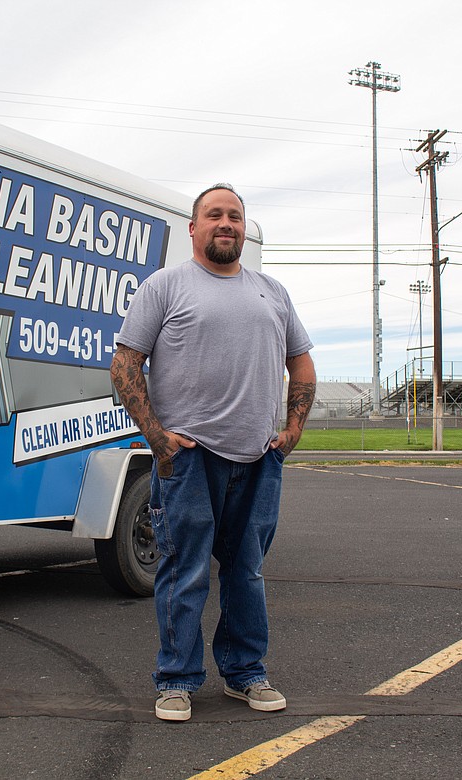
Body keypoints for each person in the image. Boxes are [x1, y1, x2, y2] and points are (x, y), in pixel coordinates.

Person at [110, 183, 316, 722]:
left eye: (235, 216)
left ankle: (245, 674)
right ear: (194, 228)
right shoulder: (165, 286)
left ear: (243, 229)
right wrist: (157, 436)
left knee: (246, 571)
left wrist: (292, 429)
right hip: (189, 457)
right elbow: (126, 363)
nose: (226, 223)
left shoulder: (273, 291)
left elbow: (302, 363)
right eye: (215, 215)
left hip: (257, 456)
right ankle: (176, 680)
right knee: (184, 569)